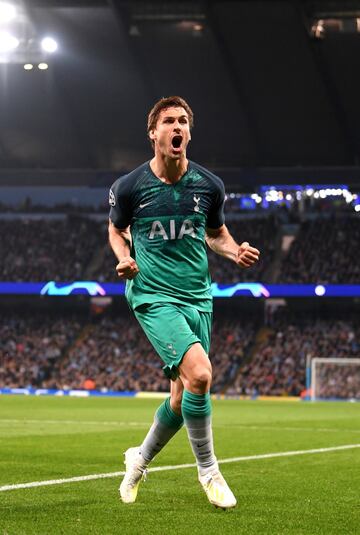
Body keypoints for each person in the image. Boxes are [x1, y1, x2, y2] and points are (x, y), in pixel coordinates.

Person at [108, 96, 260, 509]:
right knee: (201, 374)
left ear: (189, 133)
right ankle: (209, 471)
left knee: (180, 399)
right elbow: (115, 228)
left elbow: (216, 233)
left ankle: (137, 461)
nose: (177, 127)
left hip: (198, 297)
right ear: (153, 133)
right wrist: (124, 257)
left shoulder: (209, 186)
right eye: (168, 121)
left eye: (183, 122)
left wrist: (234, 251)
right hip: (153, 295)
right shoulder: (130, 187)